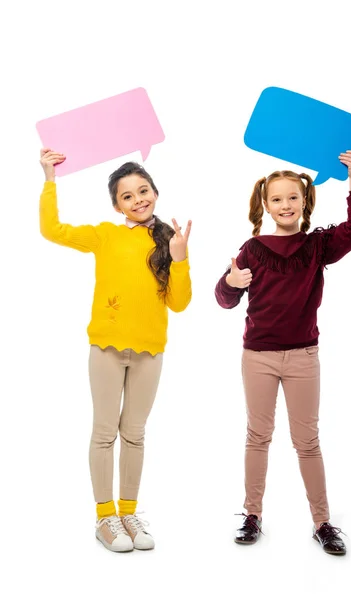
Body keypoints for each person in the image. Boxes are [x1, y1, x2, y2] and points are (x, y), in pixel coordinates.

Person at [39, 149, 192, 553]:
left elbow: (179, 303)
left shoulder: (168, 240)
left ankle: (128, 512)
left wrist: (180, 260)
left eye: (144, 190)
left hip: (150, 351)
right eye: (128, 196)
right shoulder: (105, 235)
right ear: (116, 204)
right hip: (106, 349)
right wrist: (50, 178)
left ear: (156, 193)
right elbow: (52, 230)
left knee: (135, 435)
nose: (138, 199)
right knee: (105, 433)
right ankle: (105, 517)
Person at [215, 151, 351, 555]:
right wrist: (232, 281)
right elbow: (223, 299)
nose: (285, 205)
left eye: (293, 198)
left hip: (303, 357)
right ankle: (252, 514)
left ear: (304, 202)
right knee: (258, 436)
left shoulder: (317, 246)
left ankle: (323, 522)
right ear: (266, 205)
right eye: (277, 199)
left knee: (307, 441)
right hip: (259, 357)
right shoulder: (252, 249)